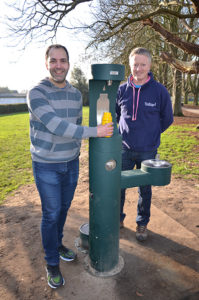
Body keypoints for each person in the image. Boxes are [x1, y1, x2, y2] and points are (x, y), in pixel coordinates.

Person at [26, 44, 113, 289]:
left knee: (63, 209)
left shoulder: (75, 94)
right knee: (51, 213)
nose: (58, 65)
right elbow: (57, 126)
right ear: (47, 64)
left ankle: (58, 244)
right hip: (46, 165)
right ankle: (52, 263)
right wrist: (95, 132)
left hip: (70, 163)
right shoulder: (36, 92)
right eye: (53, 61)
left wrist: (76, 149)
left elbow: (75, 124)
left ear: (68, 64)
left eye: (63, 61)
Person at [116, 47, 173, 242]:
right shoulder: (121, 89)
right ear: (129, 66)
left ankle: (142, 223)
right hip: (123, 149)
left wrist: (152, 134)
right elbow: (115, 115)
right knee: (118, 186)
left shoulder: (159, 91)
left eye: (142, 65)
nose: (138, 69)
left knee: (144, 189)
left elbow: (167, 118)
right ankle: (117, 219)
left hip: (148, 151)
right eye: (135, 65)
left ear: (149, 66)